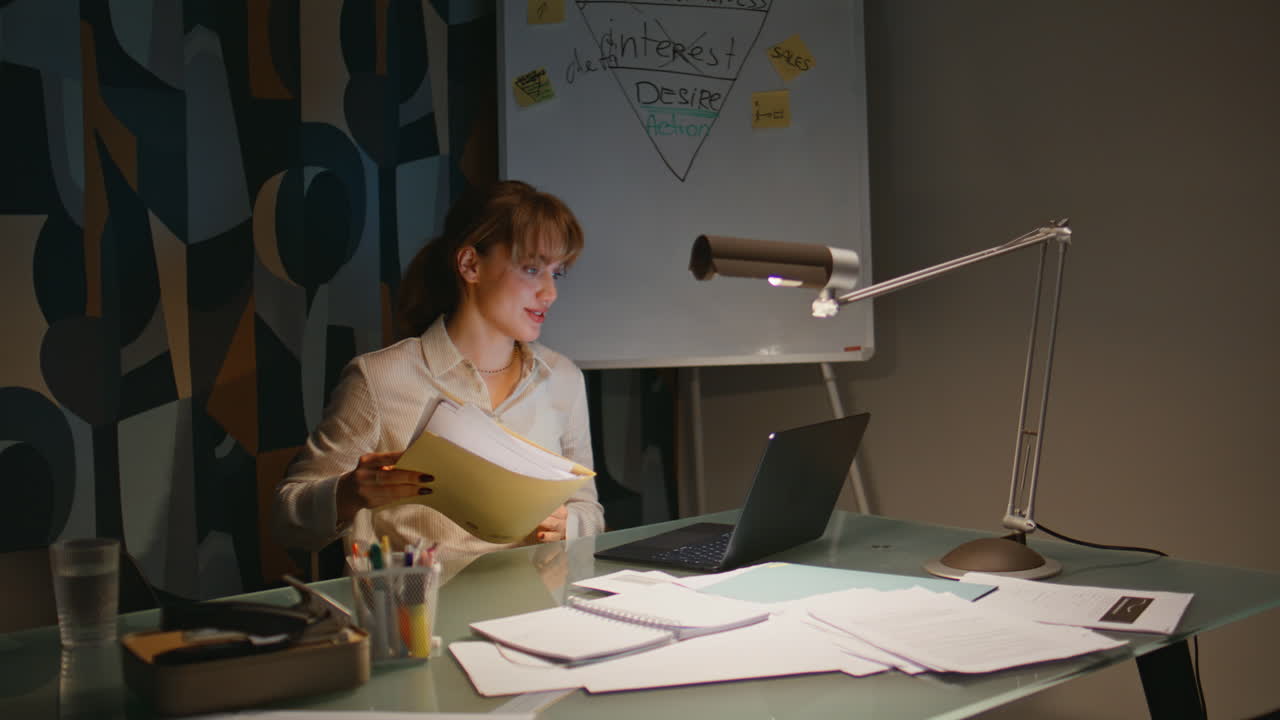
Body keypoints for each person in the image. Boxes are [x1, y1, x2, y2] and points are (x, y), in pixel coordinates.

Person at [273, 180, 605, 575]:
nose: (550, 293)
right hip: (418, 610)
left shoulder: (563, 378)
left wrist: (571, 524)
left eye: (557, 273)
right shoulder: (380, 379)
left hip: (537, 608)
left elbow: (588, 509)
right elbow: (286, 520)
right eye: (532, 269)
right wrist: (348, 493)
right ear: (470, 265)